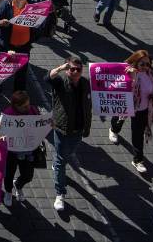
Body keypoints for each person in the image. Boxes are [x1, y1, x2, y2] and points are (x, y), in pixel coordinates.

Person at [47, 55, 92, 211]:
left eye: (78, 69)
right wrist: (60, 68)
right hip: (62, 127)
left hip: (79, 129)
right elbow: (48, 77)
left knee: (68, 153)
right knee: (61, 160)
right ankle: (60, 193)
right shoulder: (61, 82)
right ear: (67, 69)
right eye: (71, 68)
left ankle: (58, 164)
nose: (74, 72)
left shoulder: (86, 83)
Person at [109, 49, 153, 173]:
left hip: (142, 109)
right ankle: (113, 130)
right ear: (135, 62)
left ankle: (138, 160)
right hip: (128, 105)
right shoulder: (127, 72)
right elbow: (121, 90)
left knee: (138, 135)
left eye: (148, 64)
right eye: (142, 64)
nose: (145, 67)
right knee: (118, 120)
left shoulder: (152, 73)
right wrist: (132, 78)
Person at [0, 90, 43, 205]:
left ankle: (18, 185)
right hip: (12, 151)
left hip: (28, 150)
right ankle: (8, 192)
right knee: (9, 174)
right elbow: (2, 130)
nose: (28, 107)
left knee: (28, 175)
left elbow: (41, 124)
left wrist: (48, 124)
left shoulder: (34, 110)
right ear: (16, 106)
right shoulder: (8, 113)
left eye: (28, 104)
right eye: (25, 106)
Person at [0, 0, 35, 92]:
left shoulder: (32, 8)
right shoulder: (5, 5)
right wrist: (0, 22)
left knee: (21, 72)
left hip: (24, 46)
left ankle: (18, 93)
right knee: (1, 68)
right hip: (6, 45)